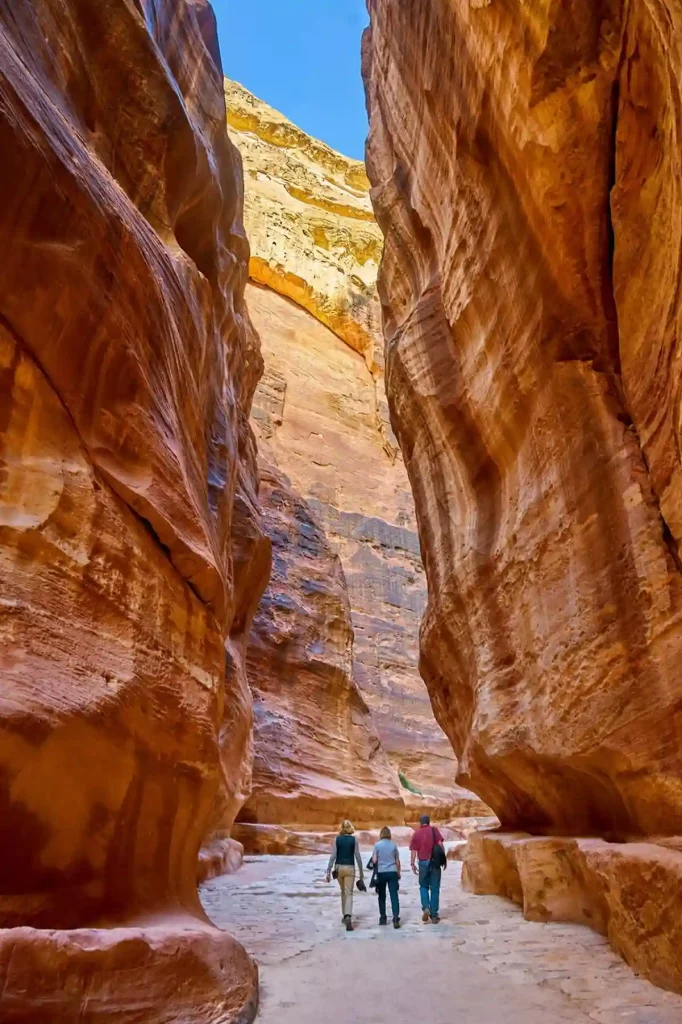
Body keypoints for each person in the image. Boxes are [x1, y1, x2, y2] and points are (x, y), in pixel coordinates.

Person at [326, 819, 364, 931]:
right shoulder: (354, 840)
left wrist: (328, 870)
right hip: (350, 868)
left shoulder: (337, 839)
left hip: (338, 868)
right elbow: (357, 856)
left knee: (343, 891)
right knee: (349, 892)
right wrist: (361, 872)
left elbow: (333, 855)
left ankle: (344, 915)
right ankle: (348, 915)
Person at [409, 813, 446, 923]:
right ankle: (434, 915)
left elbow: (413, 851)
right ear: (429, 821)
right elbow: (440, 845)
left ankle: (426, 907)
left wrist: (412, 864)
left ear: (420, 823)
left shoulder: (416, 834)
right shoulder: (434, 831)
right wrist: (442, 859)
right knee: (435, 888)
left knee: (423, 886)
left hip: (423, 863)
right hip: (435, 863)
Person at [369, 826, 401, 928]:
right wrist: (398, 873)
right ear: (389, 834)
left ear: (381, 834)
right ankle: (395, 918)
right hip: (392, 872)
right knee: (394, 896)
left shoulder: (377, 845)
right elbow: (397, 861)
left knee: (382, 896)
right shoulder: (393, 845)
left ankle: (383, 918)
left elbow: (374, 861)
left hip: (381, 873)